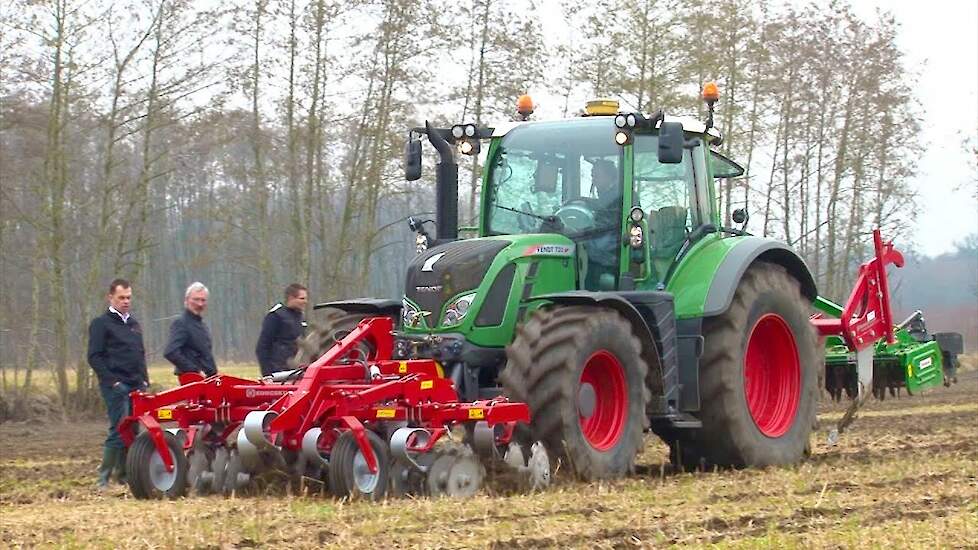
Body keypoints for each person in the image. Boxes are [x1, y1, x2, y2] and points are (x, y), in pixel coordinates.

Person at [87, 278, 149, 489]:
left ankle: (124, 475)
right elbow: (94, 356)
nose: (125, 301)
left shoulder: (134, 325)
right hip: (115, 386)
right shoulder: (101, 324)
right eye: (121, 297)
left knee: (134, 429)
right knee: (118, 428)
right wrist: (112, 382)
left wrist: (144, 380)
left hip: (135, 385)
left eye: (128, 297)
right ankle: (103, 478)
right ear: (110, 297)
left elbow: (140, 354)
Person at [164, 282, 217, 381]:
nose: (200, 304)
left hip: (208, 380)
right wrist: (195, 371)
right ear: (187, 300)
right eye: (196, 299)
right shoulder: (181, 323)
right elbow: (170, 352)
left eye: (203, 300)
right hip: (193, 381)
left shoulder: (202, 325)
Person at [582, 159, 622, 289]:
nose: (593, 180)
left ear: (609, 176)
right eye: (592, 176)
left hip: (611, 255)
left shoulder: (620, 195)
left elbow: (603, 228)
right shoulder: (606, 196)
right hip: (604, 250)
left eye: (597, 176)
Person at [255, 283, 308, 376]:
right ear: (291, 298)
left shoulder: (300, 317)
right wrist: (267, 374)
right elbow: (262, 347)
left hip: (295, 371)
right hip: (278, 371)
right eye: (302, 298)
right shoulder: (276, 315)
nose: (305, 302)